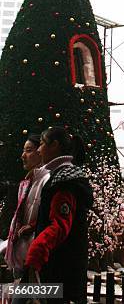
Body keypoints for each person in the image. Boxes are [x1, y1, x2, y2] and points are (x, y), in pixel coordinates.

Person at [25, 127, 93, 303]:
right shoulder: (62, 176)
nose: (39, 150)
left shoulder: (64, 181)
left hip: (61, 268)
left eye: (41, 144)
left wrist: (37, 251)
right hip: (62, 266)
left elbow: (60, 225)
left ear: (54, 145)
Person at [4, 134, 50, 279]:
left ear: (40, 152)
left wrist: (33, 226)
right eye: (24, 150)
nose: (23, 155)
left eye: (29, 150)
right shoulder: (26, 182)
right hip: (21, 254)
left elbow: (49, 216)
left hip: (35, 257)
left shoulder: (47, 180)